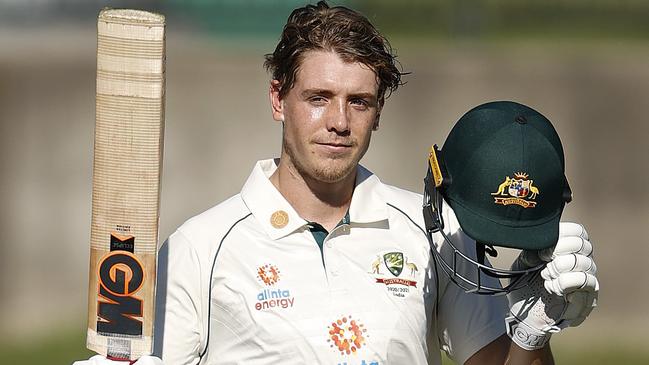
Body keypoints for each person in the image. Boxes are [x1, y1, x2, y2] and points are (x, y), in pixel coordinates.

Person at [76, 2, 598, 364]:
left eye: (359, 101)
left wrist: (531, 335)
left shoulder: (433, 232)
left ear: (378, 112)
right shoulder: (201, 246)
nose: (339, 122)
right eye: (319, 97)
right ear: (279, 99)